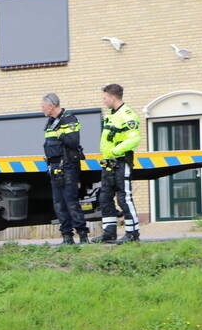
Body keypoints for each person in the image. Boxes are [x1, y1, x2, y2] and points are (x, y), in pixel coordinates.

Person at [95, 83, 142, 244]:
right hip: (108, 163)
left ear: (113, 97)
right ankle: (109, 232)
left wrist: (116, 151)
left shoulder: (127, 114)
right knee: (105, 198)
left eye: (105, 97)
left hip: (121, 162)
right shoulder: (112, 114)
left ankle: (132, 233)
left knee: (124, 198)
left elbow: (134, 138)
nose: (103, 100)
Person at [41, 93, 88, 245]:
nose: (42, 109)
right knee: (59, 204)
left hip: (68, 166)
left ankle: (83, 236)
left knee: (71, 202)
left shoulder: (69, 119)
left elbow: (73, 142)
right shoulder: (50, 122)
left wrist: (60, 132)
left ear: (51, 105)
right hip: (54, 167)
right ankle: (67, 237)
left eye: (43, 106)